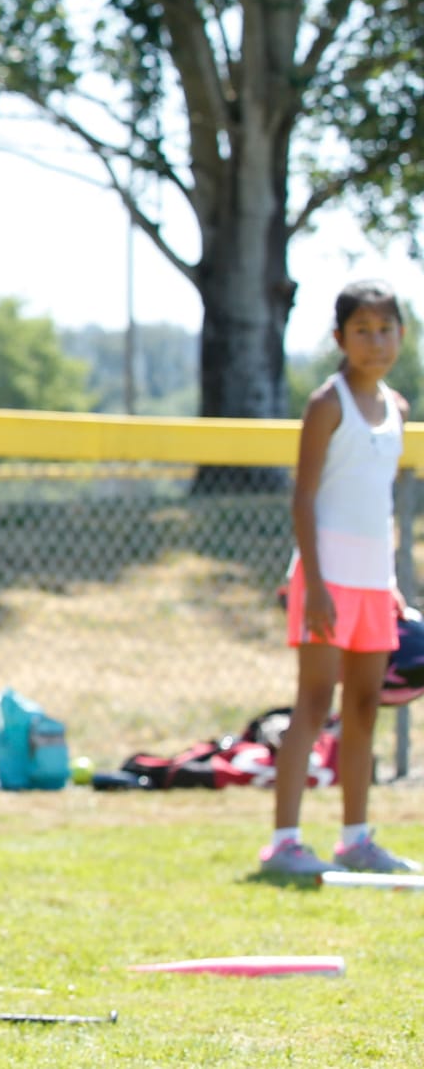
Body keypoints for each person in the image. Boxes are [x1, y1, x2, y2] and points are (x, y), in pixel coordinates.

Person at [261, 278, 418, 877]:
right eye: (362, 330)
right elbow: (304, 499)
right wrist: (319, 585)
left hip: (373, 587)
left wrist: (388, 582)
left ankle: (356, 838)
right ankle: (285, 841)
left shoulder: (397, 408)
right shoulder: (328, 404)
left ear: (401, 334)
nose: (375, 341)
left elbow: (375, 506)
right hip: (324, 582)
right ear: (339, 338)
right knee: (313, 704)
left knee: (362, 707)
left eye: (385, 329)